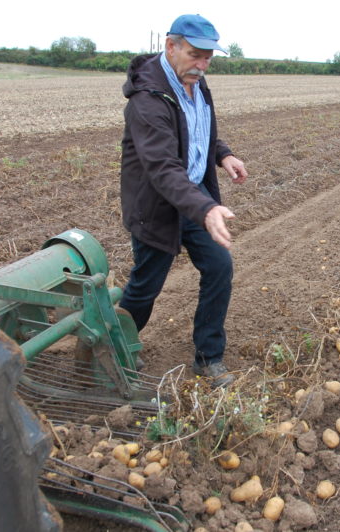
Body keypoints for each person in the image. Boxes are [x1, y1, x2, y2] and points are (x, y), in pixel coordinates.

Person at [118, 14, 248, 388]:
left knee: (219, 265)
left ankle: (208, 357)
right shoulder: (147, 100)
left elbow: (196, 130)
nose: (202, 64)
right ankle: (115, 346)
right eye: (195, 54)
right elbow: (162, 167)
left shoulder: (195, 82)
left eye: (208, 57)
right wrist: (207, 208)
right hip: (157, 205)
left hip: (194, 199)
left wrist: (223, 154)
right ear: (170, 46)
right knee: (146, 286)